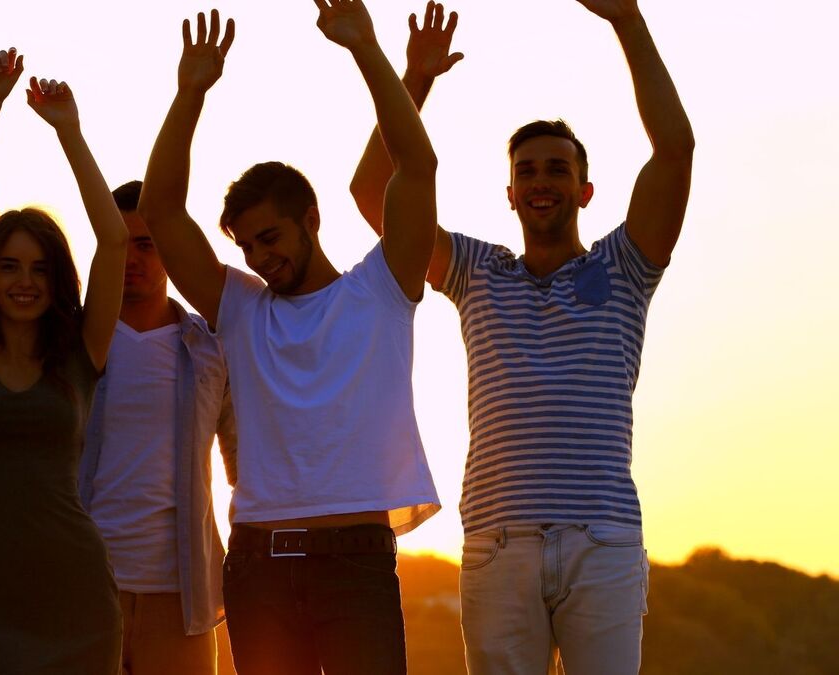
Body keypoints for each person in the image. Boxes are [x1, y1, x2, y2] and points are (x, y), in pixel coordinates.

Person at [349, 1, 694, 672]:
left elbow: (675, 149)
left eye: (557, 169)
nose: (541, 181)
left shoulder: (626, 265)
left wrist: (627, 21)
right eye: (528, 171)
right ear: (509, 191)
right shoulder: (477, 272)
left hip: (603, 542)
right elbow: (371, 191)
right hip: (498, 545)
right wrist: (414, 80)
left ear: (585, 189)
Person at [137, 4, 441, 672]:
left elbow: (416, 165)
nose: (259, 257)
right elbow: (159, 210)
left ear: (310, 219)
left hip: (355, 565)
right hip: (259, 570)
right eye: (246, 246)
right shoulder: (242, 308)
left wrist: (366, 49)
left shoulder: (383, 286)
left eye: (269, 237)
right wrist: (190, 93)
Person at [0, 48, 128, 674]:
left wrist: (70, 132)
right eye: (10, 265)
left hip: (79, 595)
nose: (25, 281)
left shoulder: (77, 356)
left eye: (40, 268)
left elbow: (115, 240)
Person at [77, 180, 237, 675]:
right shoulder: (74, 341)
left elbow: (246, 467)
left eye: (145, 244)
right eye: (118, 243)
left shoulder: (212, 346)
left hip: (181, 599)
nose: (131, 258)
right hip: (82, 589)